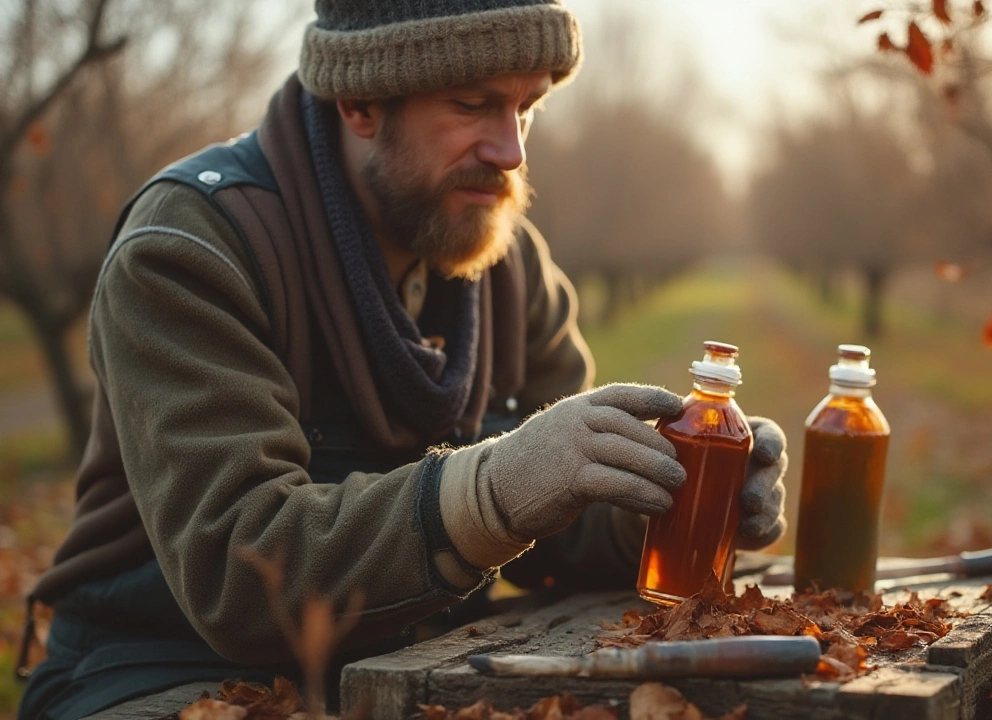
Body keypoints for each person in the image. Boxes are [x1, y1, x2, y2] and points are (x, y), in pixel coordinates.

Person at [16, 1, 788, 717]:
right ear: (360, 103)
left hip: (421, 669)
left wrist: (665, 500)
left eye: (527, 107)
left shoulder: (508, 263)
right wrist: (494, 489)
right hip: (163, 675)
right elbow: (238, 573)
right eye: (473, 103)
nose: (511, 150)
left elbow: (561, 523)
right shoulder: (193, 250)